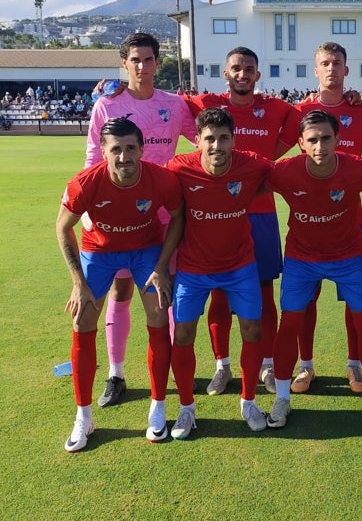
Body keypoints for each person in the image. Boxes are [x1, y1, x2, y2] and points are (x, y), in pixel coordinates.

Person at [83, 32, 197, 409]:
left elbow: (202, 140)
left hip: (166, 215)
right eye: (135, 60)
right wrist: (87, 210)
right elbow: (92, 161)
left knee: (162, 293)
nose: (143, 67)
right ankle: (116, 373)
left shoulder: (174, 104)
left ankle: (163, 371)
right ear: (124, 63)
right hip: (120, 216)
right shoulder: (108, 104)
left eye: (149, 60)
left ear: (158, 62)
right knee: (120, 292)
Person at [56, 117, 184, 452]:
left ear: (142, 149)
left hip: (145, 252)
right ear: (103, 152)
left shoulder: (161, 179)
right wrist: (78, 283)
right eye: (116, 150)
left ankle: (158, 407)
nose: (124, 157)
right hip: (99, 252)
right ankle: (83, 416)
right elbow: (62, 228)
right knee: (82, 320)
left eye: (130, 148)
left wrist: (161, 267)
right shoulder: (85, 183)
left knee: (159, 312)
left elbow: (178, 217)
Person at [186, 48, 300, 396]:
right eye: (236, 68)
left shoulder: (277, 108)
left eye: (249, 69)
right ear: (225, 72)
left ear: (257, 75)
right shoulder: (207, 103)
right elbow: (169, 103)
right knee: (219, 293)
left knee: (265, 293)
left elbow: (302, 121)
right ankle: (222, 366)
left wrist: (267, 159)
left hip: (261, 213)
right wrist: (112, 89)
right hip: (216, 213)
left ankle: (266, 363)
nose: (242, 74)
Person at [266, 110, 362, 428]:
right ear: (300, 143)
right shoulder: (284, 172)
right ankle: (281, 399)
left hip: (349, 257)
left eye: (325, 138)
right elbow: (248, 183)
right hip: (302, 259)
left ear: (337, 139)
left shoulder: (357, 168)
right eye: (312, 140)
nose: (319, 145)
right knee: (290, 322)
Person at [293, 43, 362, 394]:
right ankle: (305, 366)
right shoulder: (301, 110)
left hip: (351, 223)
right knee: (305, 301)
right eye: (325, 63)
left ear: (346, 69)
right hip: (307, 225)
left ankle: (354, 367)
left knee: (356, 303)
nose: (332, 68)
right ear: (316, 69)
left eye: (337, 62)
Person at [163, 107, 274, 437]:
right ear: (197, 141)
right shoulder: (178, 168)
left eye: (223, 138)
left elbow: (284, 177)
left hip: (240, 266)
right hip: (193, 269)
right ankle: (186, 409)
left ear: (233, 141)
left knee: (253, 330)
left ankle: (249, 401)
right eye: (209, 139)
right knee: (182, 334)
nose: (216, 146)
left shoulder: (252, 164)